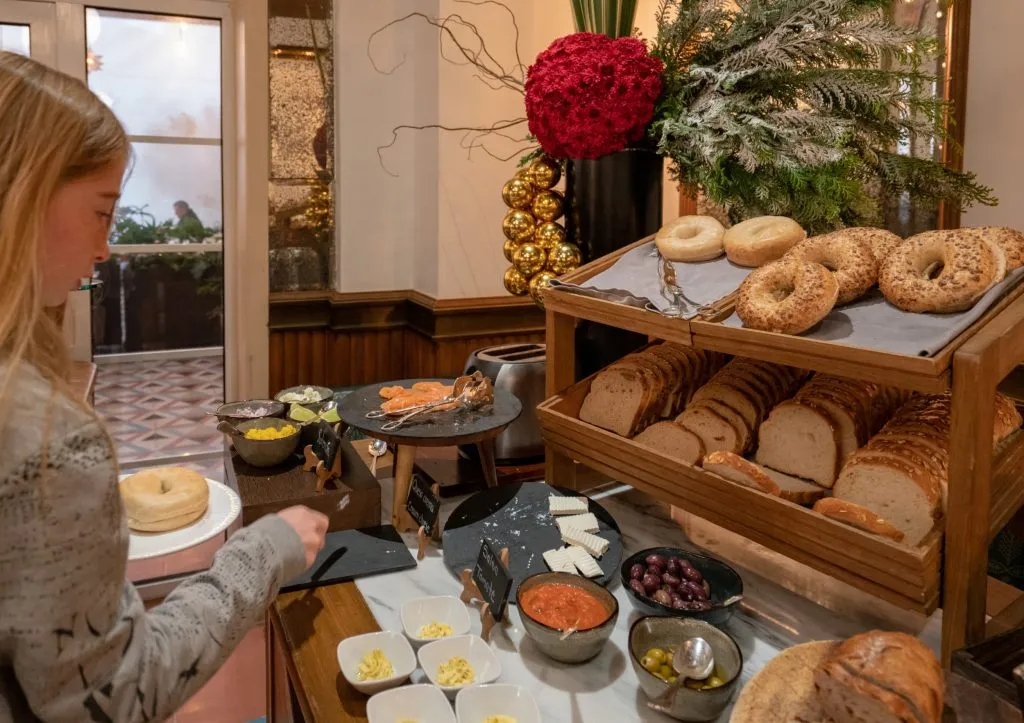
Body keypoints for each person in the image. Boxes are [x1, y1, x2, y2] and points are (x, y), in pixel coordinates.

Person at [0, 51, 329, 722]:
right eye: (100, 211)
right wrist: (264, 549)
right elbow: (119, 694)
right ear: (24, 192)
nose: (104, 250)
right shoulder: (44, 439)